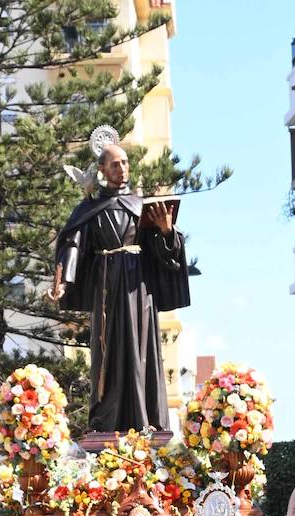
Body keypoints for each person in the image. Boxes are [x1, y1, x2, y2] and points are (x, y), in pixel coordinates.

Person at [49, 136, 190, 434]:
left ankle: (147, 419)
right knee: (108, 352)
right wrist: (64, 282)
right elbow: (73, 245)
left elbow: (164, 252)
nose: (122, 169)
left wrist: (166, 232)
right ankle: (107, 422)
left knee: (142, 350)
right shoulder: (89, 209)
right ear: (102, 168)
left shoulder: (142, 205)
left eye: (125, 163)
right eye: (115, 164)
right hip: (108, 288)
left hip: (139, 289)